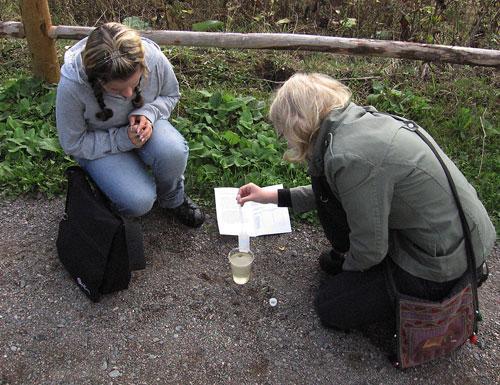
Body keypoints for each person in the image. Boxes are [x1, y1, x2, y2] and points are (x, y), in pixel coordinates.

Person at [237, 73, 495, 331]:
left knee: (331, 306)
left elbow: (371, 248)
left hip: (445, 261)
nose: (285, 138)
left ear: (297, 123)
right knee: (333, 266)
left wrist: (352, 271)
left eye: (283, 131)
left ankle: (430, 299)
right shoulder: (355, 124)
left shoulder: (348, 157)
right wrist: (271, 196)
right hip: (461, 235)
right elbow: (337, 191)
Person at [56, 22, 204, 227]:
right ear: (97, 80)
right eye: (116, 90)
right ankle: (112, 194)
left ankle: (172, 199)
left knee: (173, 151)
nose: (128, 95)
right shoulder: (73, 85)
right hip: (99, 145)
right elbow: (73, 143)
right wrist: (124, 139)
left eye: (135, 85)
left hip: (145, 127)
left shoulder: (152, 57)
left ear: (143, 65)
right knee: (139, 202)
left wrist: (149, 113)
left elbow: (171, 94)